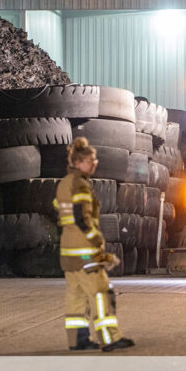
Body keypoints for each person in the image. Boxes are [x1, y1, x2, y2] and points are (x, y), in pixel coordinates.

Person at [54, 137, 135, 352]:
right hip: (84, 252)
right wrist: (96, 239)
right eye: (90, 161)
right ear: (78, 163)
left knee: (76, 295)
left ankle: (77, 339)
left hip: (68, 251)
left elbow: (60, 211)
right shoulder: (80, 185)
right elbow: (81, 217)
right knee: (101, 292)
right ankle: (109, 338)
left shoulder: (64, 184)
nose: (94, 164)